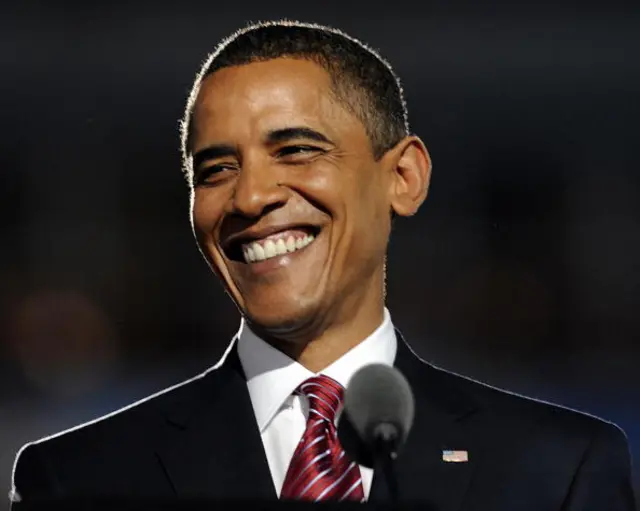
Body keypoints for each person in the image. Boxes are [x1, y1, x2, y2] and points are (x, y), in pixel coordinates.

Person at [10, 20, 635, 510]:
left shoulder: (559, 472)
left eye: (297, 150)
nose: (251, 197)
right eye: (217, 171)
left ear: (404, 177)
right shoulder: (78, 478)